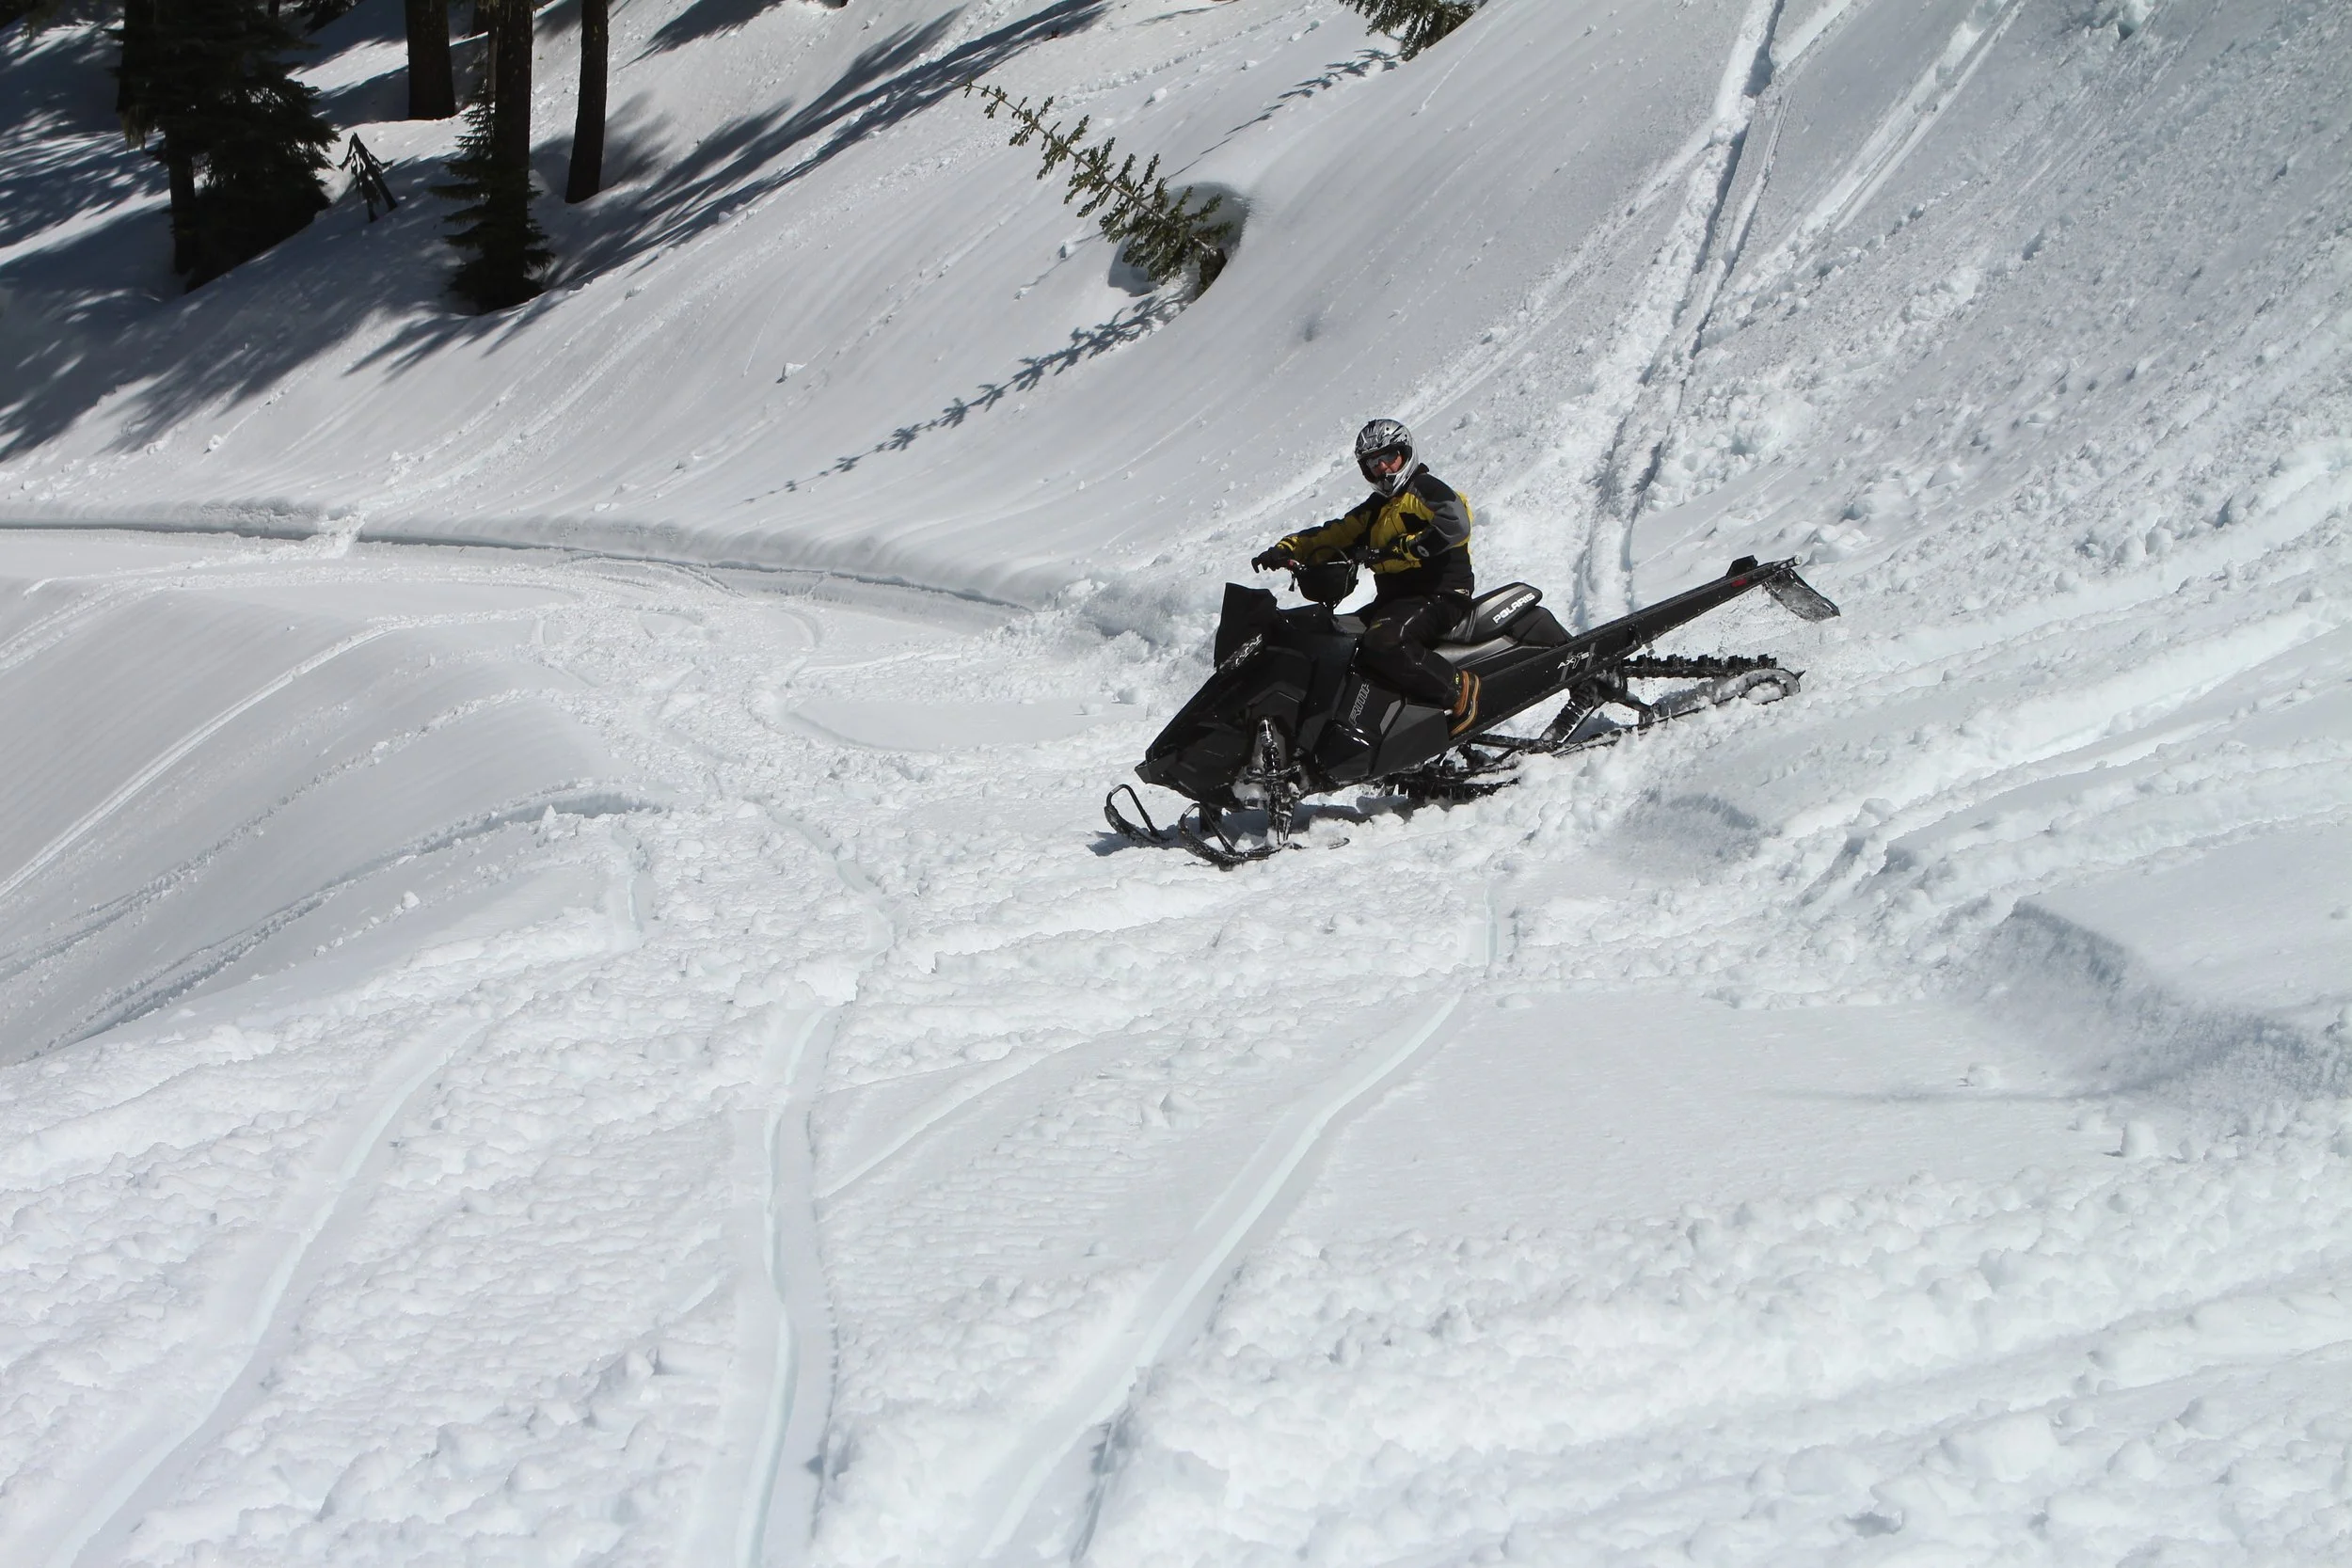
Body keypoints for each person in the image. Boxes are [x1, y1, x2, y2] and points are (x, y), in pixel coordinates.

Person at [1252, 419, 1481, 733]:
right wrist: (1288, 548)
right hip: (1396, 600)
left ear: (1405, 454)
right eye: (1373, 464)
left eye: (1389, 457)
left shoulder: (1424, 490)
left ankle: (1458, 690)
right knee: (1337, 639)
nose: (1383, 468)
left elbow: (1456, 523)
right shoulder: (1379, 507)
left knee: (1383, 641)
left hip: (1441, 594)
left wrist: (1403, 548)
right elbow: (1337, 533)